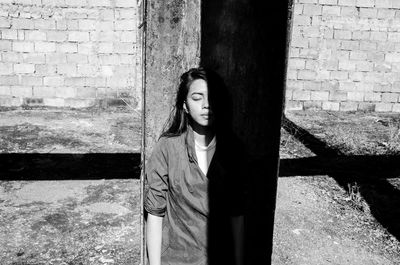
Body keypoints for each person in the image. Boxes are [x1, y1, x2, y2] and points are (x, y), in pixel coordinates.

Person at [144, 67, 246, 265]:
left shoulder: (233, 150)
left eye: (212, 97)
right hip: (177, 258)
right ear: (185, 105)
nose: (206, 105)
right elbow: (155, 213)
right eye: (197, 98)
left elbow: (237, 213)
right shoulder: (168, 147)